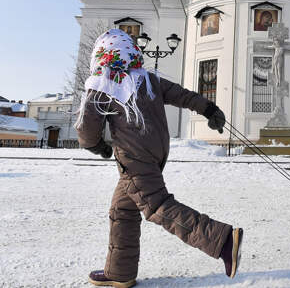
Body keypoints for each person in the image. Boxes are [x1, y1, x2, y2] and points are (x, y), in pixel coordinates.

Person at [75, 29, 243, 288]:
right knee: (122, 210)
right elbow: (183, 95)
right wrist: (210, 109)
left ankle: (221, 240)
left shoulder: (103, 83)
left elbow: (86, 128)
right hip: (156, 152)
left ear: (102, 55)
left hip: (133, 157)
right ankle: (120, 272)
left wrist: (97, 145)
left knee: (155, 205)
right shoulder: (148, 79)